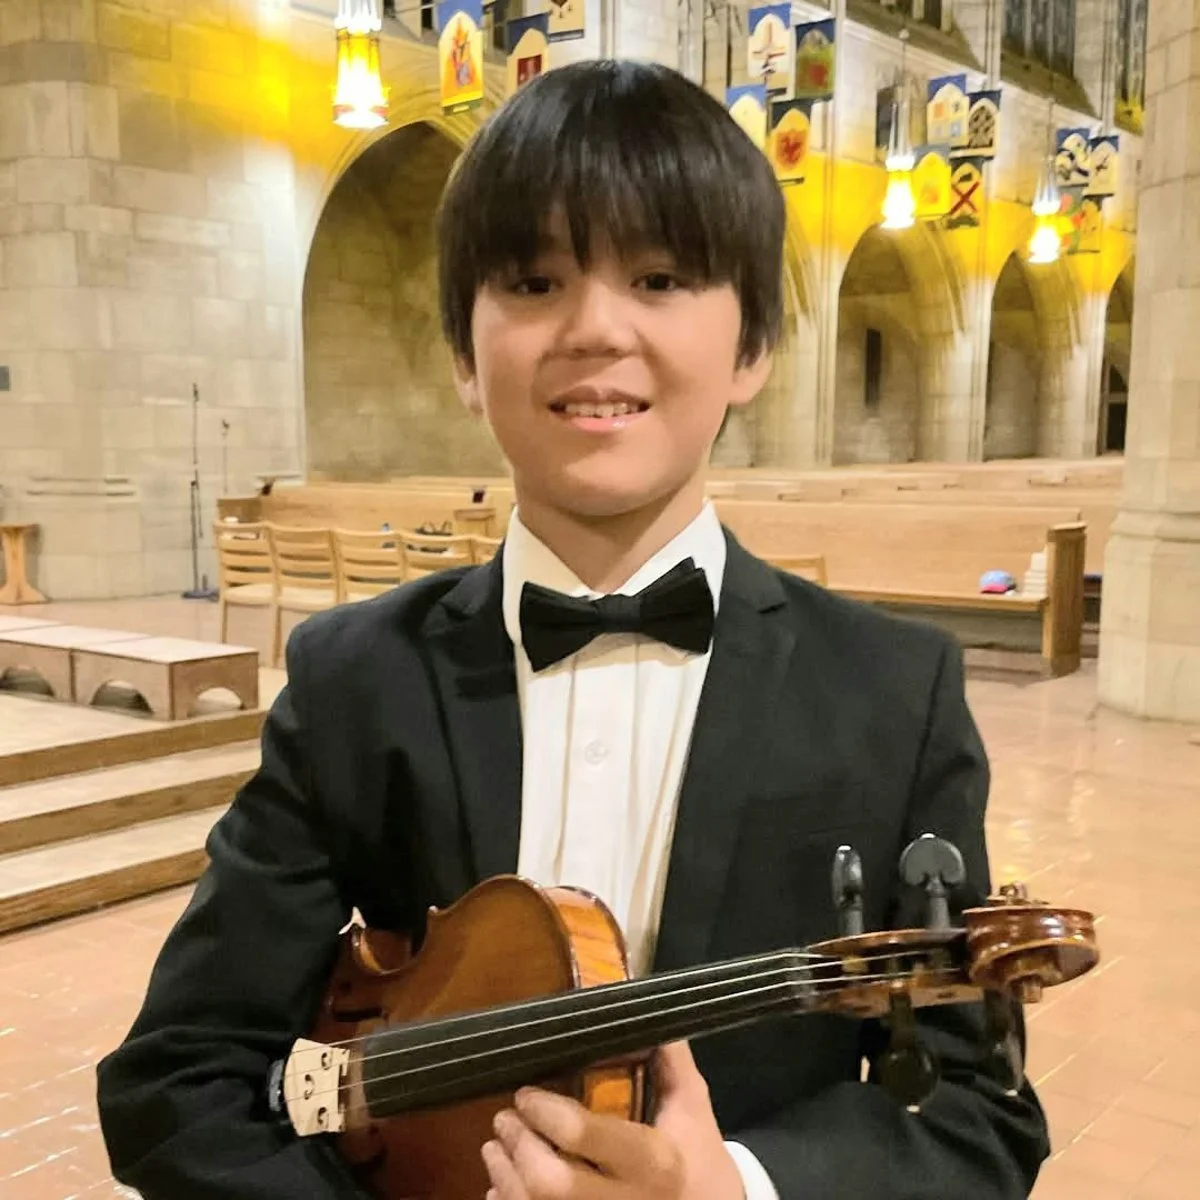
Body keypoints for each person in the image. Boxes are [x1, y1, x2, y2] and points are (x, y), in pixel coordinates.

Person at [96, 60, 1050, 1199]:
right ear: (465, 356)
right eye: (536, 281)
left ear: (752, 347)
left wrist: (739, 1190)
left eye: (659, 277)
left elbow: (976, 1118)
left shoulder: (894, 691)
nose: (595, 328)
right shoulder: (357, 679)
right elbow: (175, 1077)